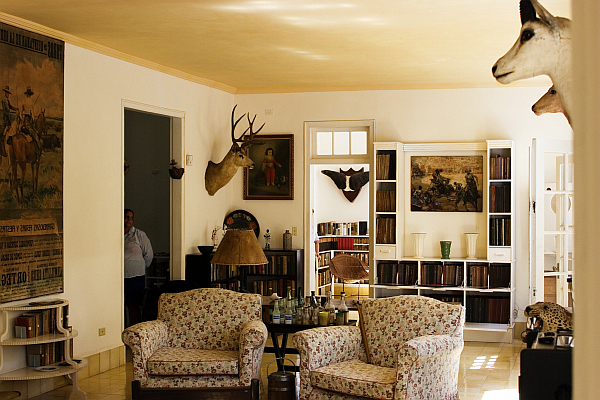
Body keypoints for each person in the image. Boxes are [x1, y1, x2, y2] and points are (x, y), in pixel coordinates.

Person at [124, 209, 153, 327]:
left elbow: (149, 255)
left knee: (134, 304)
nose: (128, 220)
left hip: (135, 276)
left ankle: (135, 328)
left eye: (131, 218)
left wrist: (140, 266)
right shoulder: (113, 233)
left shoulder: (139, 235)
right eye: (126, 217)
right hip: (120, 276)